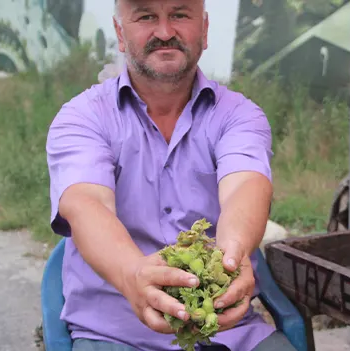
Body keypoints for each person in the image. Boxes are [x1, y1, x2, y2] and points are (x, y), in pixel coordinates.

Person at [45, 1, 295, 350]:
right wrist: (134, 275)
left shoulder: (239, 116)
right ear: (120, 33)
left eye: (179, 14)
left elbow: (246, 187)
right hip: (114, 332)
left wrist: (232, 259)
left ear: (204, 30)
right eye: (146, 16)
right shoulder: (82, 118)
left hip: (223, 328)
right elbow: (86, 204)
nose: (164, 32)